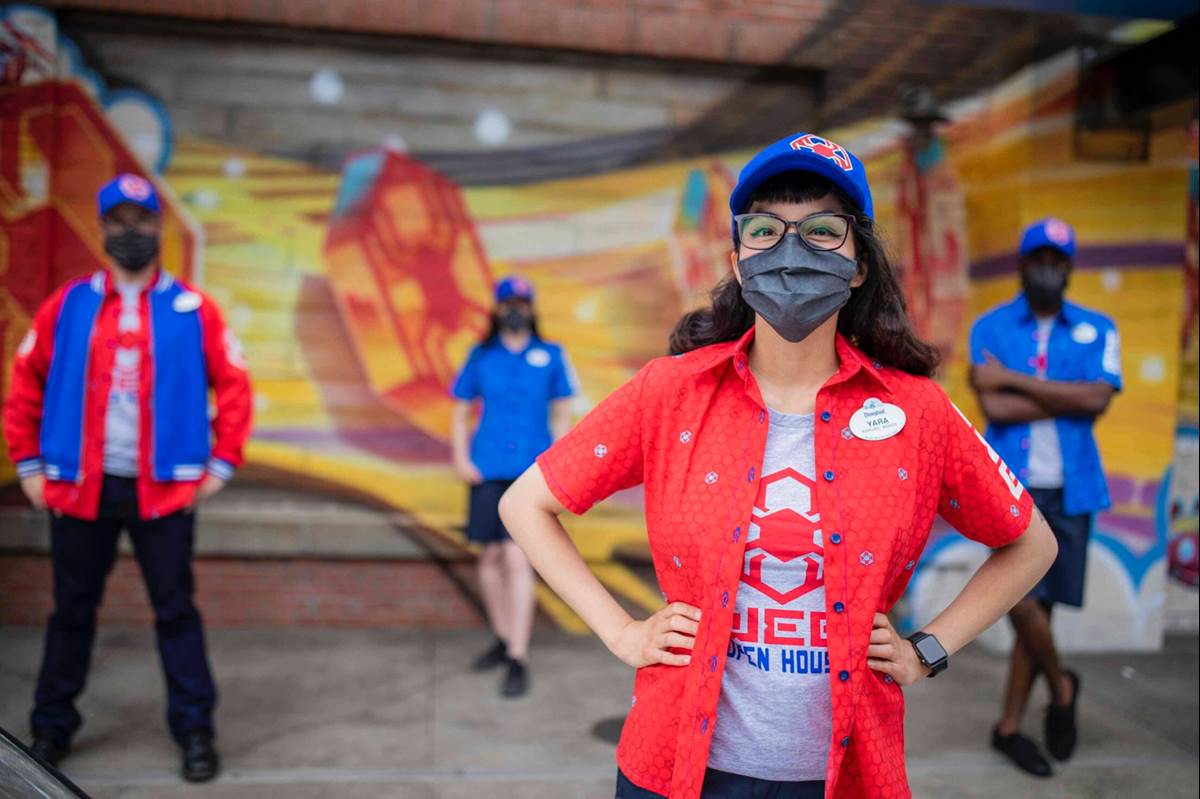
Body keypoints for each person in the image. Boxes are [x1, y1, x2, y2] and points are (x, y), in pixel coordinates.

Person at [498, 132, 1059, 799]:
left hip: (847, 775)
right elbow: (524, 503)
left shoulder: (916, 412)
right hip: (672, 765)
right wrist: (621, 631)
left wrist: (927, 649)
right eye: (765, 230)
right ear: (739, 261)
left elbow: (1031, 543)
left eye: (821, 230)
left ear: (858, 265)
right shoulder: (671, 392)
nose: (791, 250)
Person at [3, 173, 253, 783]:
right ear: (103, 228)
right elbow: (25, 381)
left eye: (142, 220)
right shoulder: (69, 305)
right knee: (71, 611)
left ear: (158, 227)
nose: (131, 231)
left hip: (164, 492)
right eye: (119, 221)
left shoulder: (193, 310)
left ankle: (195, 730)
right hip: (81, 488)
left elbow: (235, 385)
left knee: (176, 611)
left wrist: (220, 465)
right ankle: (51, 728)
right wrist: (29, 465)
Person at [969, 218, 1120, 777]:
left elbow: (1098, 400)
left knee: (1041, 612)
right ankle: (1062, 688)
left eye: (1057, 261)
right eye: (1038, 260)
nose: (1047, 270)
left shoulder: (1099, 328)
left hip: (1072, 487)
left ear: (1070, 268)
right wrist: (1068, 396)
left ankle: (1008, 728)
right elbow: (996, 408)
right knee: (1020, 599)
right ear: (1022, 265)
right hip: (1011, 488)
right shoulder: (990, 326)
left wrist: (1015, 381)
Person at [450, 275, 577, 697]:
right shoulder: (481, 355)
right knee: (489, 556)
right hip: (487, 467)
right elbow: (460, 409)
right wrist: (461, 457)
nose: (515, 310)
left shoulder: (552, 355)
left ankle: (518, 656)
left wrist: (558, 460)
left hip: (530, 473)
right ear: (498, 308)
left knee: (516, 557)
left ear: (531, 307)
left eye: (522, 302)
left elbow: (562, 410)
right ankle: (503, 639)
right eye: (509, 303)